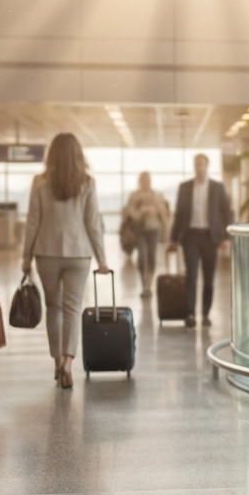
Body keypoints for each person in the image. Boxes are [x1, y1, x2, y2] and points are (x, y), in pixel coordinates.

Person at [21, 133, 109, 389]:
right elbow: (93, 224)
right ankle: (69, 364)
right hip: (79, 253)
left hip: (46, 252)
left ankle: (57, 361)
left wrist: (26, 256)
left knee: (54, 308)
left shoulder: (39, 182)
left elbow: (32, 221)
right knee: (72, 308)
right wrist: (102, 259)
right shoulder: (87, 183)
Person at [168, 154, 232, 328]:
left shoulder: (217, 187)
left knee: (209, 278)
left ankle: (205, 314)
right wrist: (173, 239)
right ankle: (190, 313)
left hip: (210, 238)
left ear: (207, 166)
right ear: (194, 166)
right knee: (191, 276)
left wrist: (226, 237)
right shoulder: (185, 187)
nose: (199, 167)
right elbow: (179, 214)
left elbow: (226, 212)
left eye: (202, 164)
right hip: (190, 237)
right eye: (197, 164)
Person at [122, 172, 170, 299]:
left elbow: (164, 212)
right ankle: (144, 284)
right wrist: (140, 212)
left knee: (152, 256)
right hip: (139, 230)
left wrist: (154, 210)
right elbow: (128, 211)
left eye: (147, 179)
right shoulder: (134, 196)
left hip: (153, 229)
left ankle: (150, 283)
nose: (145, 182)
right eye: (143, 180)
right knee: (142, 256)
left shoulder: (157, 195)